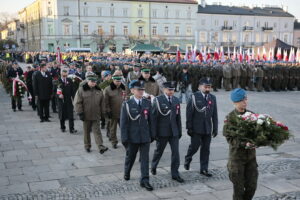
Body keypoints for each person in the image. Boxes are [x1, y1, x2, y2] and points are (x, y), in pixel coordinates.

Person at [223, 88, 258, 200]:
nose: (245, 102)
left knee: (252, 187)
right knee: (238, 190)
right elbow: (229, 138)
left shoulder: (252, 115)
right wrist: (244, 143)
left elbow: (258, 133)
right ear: (235, 102)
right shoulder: (230, 118)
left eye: (246, 99)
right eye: (242, 100)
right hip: (237, 159)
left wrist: (259, 140)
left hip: (251, 158)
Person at [120, 80, 154, 191]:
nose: (141, 91)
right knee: (131, 157)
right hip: (132, 136)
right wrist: (124, 138)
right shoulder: (127, 105)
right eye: (139, 90)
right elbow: (123, 123)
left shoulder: (147, 103)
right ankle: (127, 171)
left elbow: (151, 121)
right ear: (132, 90)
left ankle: (145, 180)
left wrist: (152, 135)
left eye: (142, 90)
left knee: (145, 159)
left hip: (144, 136)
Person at [184, 77, 218, 177]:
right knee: (194, 147)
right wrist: (188, 127)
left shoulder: (212, 98)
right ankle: (188, 157)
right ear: (199, 87)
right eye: (206, 87)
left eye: (209, 87)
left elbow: (214, 114)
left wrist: (215, 127)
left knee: (206, 149)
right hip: (196, 127)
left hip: (207, 127)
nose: (208, 89)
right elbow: (189, 113)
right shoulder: (194, 97)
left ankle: (204, 169)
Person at [151, 81, 184, 183]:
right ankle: (154, 165)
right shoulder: (158, 100)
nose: (171, 91)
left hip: (174, 131)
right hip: (162, 132)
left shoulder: (176, 100)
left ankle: (175, 173)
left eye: (173, 90)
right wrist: (154, 133)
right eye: (169, 90)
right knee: (159, 151)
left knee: (176, 153)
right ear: (164, 89)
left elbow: (178, 117)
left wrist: (179, 130)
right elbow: (153, 118)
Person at [74, 73, 108, 154]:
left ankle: (100, 146)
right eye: (92, 81)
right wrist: (80, 113)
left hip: (96, 115)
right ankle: (87, 146)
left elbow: (102, 103)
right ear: (88, 81)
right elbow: (77, 102)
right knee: (86, 131)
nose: (93, 83)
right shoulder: (81, 90)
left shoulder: (99, 90)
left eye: (95, 82)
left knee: (97, 131)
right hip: (86, 115)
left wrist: (103, 114)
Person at [103, 70, 127, 149]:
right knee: (113, 128)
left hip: (122, 112)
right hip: (112, 112)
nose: (118, 82)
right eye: (117, 81)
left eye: (119, 81)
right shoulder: (107, 89)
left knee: (124, 128)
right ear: (113, 80)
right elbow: (105, 102)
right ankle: (114, 142)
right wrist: (108, 111)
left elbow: (128, 96)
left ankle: (125, 141)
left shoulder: (123, 87)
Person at [55, 68, 77, 133]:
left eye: (66, 72)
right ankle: (62, 127)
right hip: (61, 101)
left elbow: (73, 90)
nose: (65, 73)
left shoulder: (69, 80)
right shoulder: (57, 81)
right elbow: (54, 92)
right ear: (61, 73)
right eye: (63, 72)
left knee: (71, 115)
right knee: (62, 115)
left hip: (68, 100)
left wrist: (74, 98)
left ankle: (71, 128)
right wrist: (58, 95)